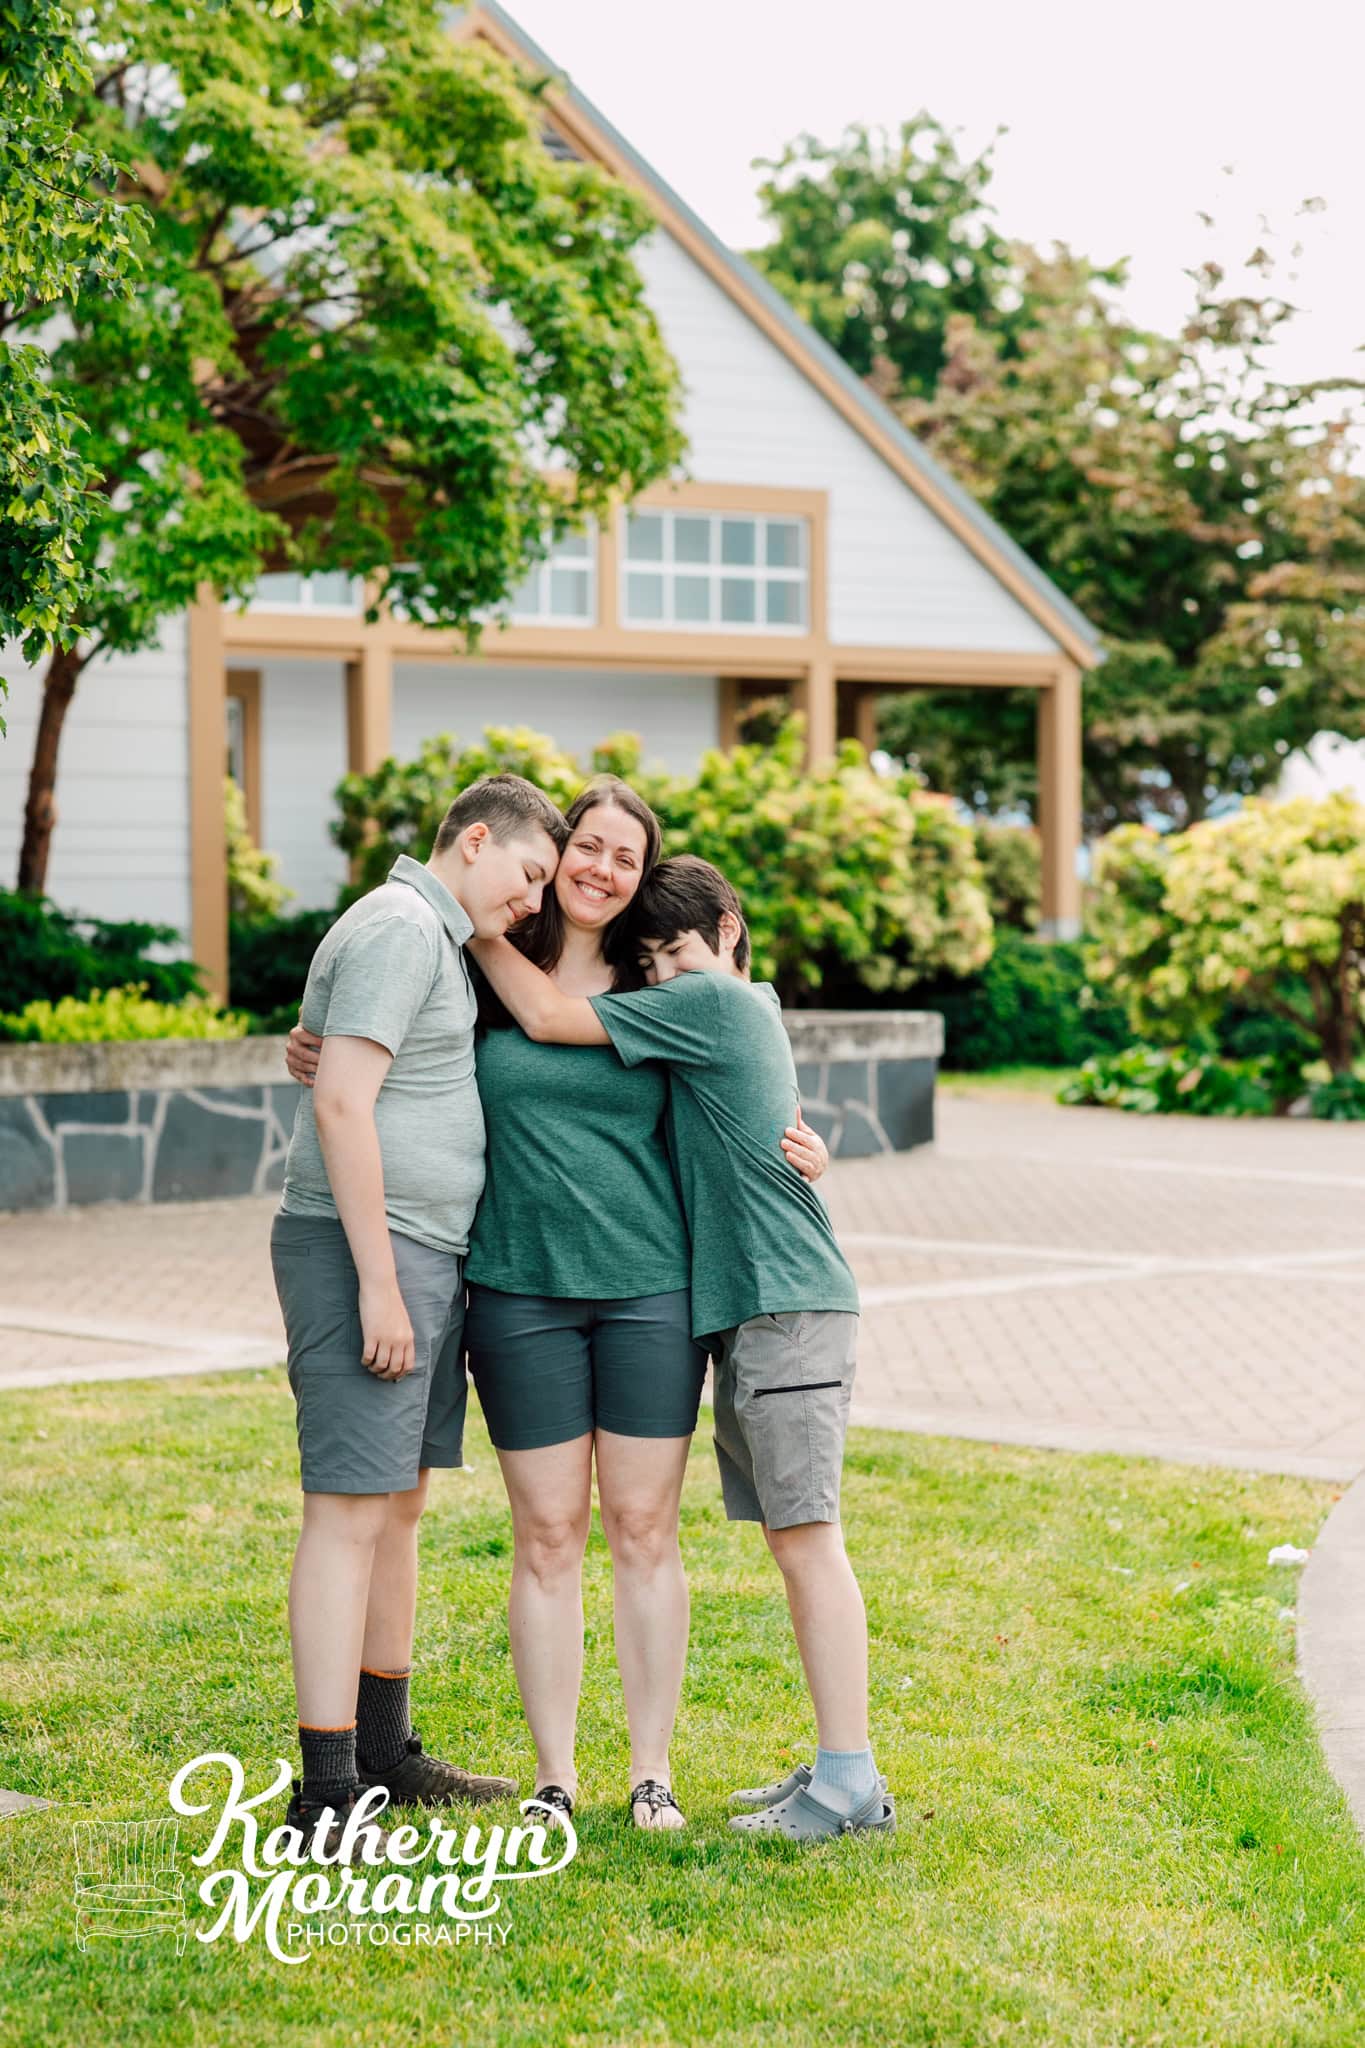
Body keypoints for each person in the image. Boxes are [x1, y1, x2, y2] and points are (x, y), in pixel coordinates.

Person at [287, 780, 827, 1832]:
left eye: (625, 858)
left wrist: (807, 1141)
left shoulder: (654, 977)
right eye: (587, 846)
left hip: (648, 1287)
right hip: (516, 1286)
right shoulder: (475, 958)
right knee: (545, 1533)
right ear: (559, 847)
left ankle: (652, 1770)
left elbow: (747, 1081)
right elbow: (372, 1028)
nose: (599, 870)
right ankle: (554, 1777)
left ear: (638, 878)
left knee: (643, 1527)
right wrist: (307, 1046)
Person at [468, 854, 895, 1842]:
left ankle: (849, 1779)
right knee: (795, 1537)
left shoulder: (717, 1005)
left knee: (808, 1538)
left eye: (678, 950)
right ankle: (835, 1764)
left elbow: (546, 1017)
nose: (662, 972)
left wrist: (474, 911)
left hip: (784, 1304)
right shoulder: (725, 1007)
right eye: (649, 956)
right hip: (747, 1308)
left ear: (730, 932)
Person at [272, 772, 567, 1856]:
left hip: (425, 1253)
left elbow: (321, 1049)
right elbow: (341, 1098)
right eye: (529, 873)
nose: (532, 900)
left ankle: (386, 1755)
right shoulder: (403, 928)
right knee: (348, 1513)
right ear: (475, 839)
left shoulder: (420, 933)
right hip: (376, 1255)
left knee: (395, 1509)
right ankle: (324, 1792)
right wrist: (380, 1283)